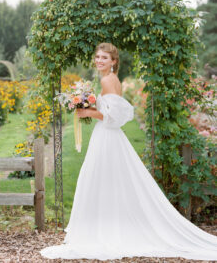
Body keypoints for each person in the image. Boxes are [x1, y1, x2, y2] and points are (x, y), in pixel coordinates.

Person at [40, 43, 217, 261]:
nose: (99, 60)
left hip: (106, 136)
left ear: (114, 61)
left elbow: (112, 118)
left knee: (101, 180)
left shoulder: (107, 80)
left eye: (104, 57)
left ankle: (105, 230)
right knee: (109, 180)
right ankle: (109, 225)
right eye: (97, 57)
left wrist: (88, 112)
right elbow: (110, 110)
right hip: (106, 136)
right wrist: (91, 108)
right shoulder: (113, 80)